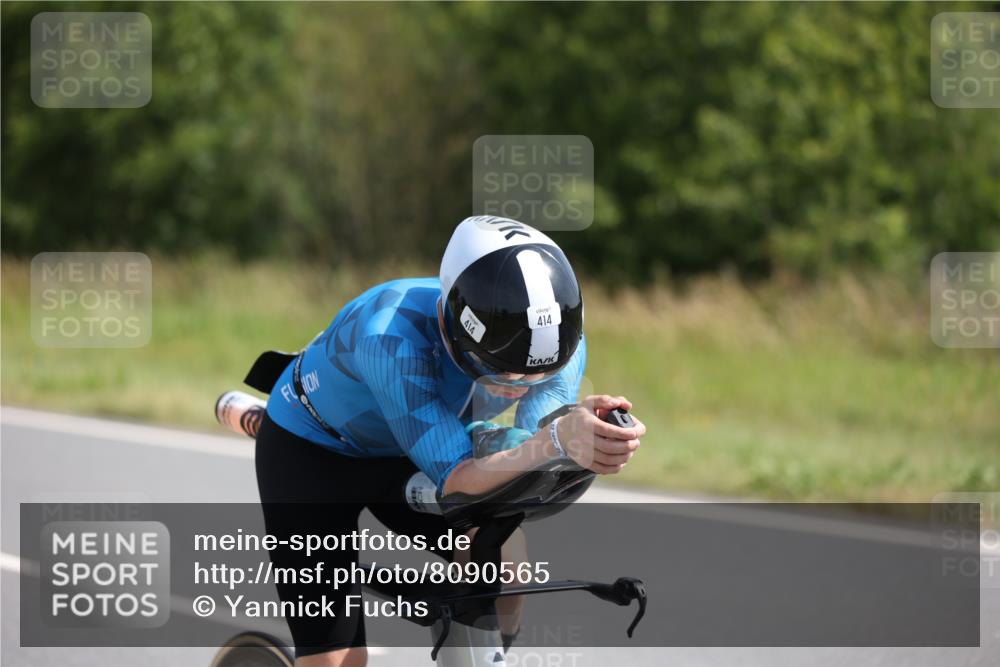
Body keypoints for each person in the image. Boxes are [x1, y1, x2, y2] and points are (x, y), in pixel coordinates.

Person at [255, 215, 646, 667]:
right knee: (339, 660)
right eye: (497, 367)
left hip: (413, 444)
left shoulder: (555, 338)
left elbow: (527, 445)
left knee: (506, 568)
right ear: (453, 323)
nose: (516, 384)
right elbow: (459, 479)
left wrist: (584, 435)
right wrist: (558, 438)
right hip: (312, 457)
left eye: (536, 374)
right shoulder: (389, 337)